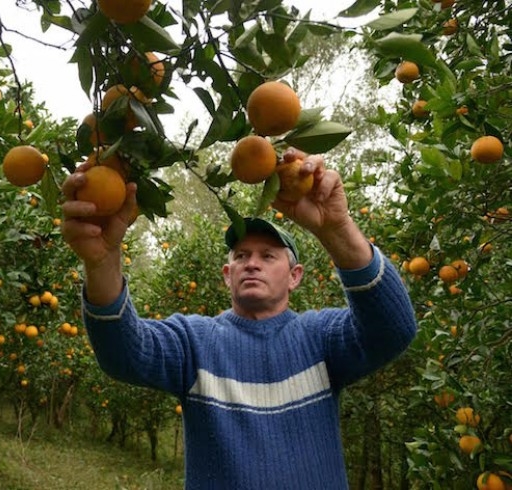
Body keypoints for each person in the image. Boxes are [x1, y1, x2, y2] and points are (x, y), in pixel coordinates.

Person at [60, 149, 417, 489]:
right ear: (227, 275)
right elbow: (123, 354)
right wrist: (102, 262)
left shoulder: (320, 338)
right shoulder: (193, 342)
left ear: (295, 276)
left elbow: (393, 329)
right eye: (242, 255)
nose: (252, 262)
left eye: (268, 255)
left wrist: (337, 229)